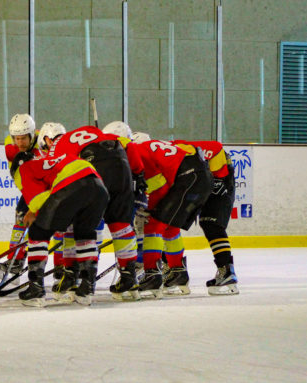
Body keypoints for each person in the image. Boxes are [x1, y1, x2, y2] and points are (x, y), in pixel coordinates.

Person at [11, 132, 108, 307]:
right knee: (84, 233)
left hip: (73, 183)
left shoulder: (24, 168)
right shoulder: (51, 161)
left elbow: (39, 201)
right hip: (99, 187)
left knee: (37, 231)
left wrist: (33, 213)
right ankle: (86, 288)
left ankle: (35, 288)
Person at [50, 123, 143, 301]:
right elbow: (129, 146)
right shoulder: (98, 133)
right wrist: (139, 174)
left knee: (78, 224)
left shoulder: (54, 150)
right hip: (122, 163)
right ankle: (129, 278)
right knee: (120, 224)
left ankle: (78, 280)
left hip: (94, 164)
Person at [128, 134, 213, 298]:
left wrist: (147, 207)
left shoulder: (138, 150)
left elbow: (158, 185)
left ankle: (153, 275)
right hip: (203, 177)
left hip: (188, 177)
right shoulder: (156, 145)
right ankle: (178, 275)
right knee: (170, 228)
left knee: (153, 226)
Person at [172, 139, 238, 295]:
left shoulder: (178, 149)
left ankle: (227, 271)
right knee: (167, 222)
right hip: (199, 179)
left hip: (219, 180)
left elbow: (215, 147)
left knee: (211, 224)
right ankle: (173, 271)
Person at [0, 113, 44, 281]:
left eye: (23, 139)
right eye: (17, 138)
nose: (19, 142)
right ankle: (16, 262)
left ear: (32, 134)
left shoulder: (43, 143)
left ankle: (65, 265)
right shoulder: (10, 146)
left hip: (48, 190)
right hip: (30, 191)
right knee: (21, 219)